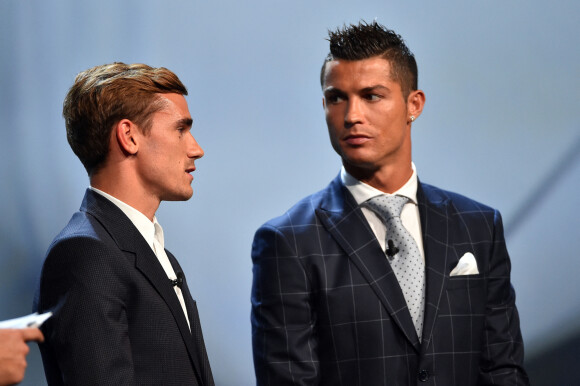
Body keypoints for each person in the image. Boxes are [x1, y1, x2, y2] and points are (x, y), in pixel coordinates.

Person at [251, 21, 529, 385]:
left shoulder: (477, 225)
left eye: (371, 96)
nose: (352, 116)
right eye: (337, 98)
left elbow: (503, 370)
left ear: (414, 104)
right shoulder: (288, 241)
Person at [33, 62, 214, 385]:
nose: (196, 149)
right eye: (180, 129)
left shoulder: (156, 254)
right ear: (129, 136)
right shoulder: (84, 254)